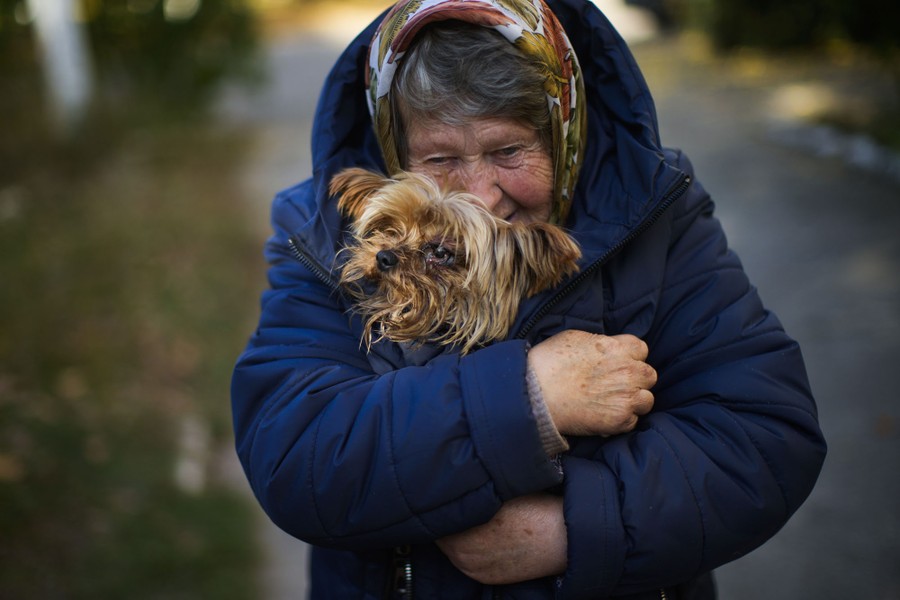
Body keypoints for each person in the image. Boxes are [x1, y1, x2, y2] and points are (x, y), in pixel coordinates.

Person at [230, 0, 827, 597]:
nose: (481, 197)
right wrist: (530, 398)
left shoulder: (658, 216)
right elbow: (297, 457)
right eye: (440, 159)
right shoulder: (322, 233)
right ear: (396, 150)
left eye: (508, 152)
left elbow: (764, 440)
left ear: (564, 134)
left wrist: (576, 529)